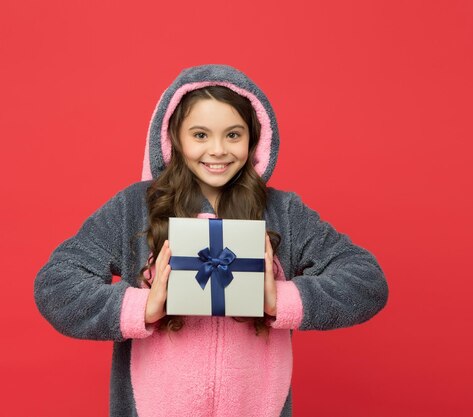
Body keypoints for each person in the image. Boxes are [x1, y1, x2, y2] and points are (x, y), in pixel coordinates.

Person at [34, 64, 389, 417]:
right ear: (175, 137)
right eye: (200, 135)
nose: (218, 150)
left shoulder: (284, 212)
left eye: (233, 135)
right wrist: (142, 308)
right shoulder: (134, 207)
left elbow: (367, 281)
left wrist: (278, 299)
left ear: (254, 138)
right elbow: (56, 285)